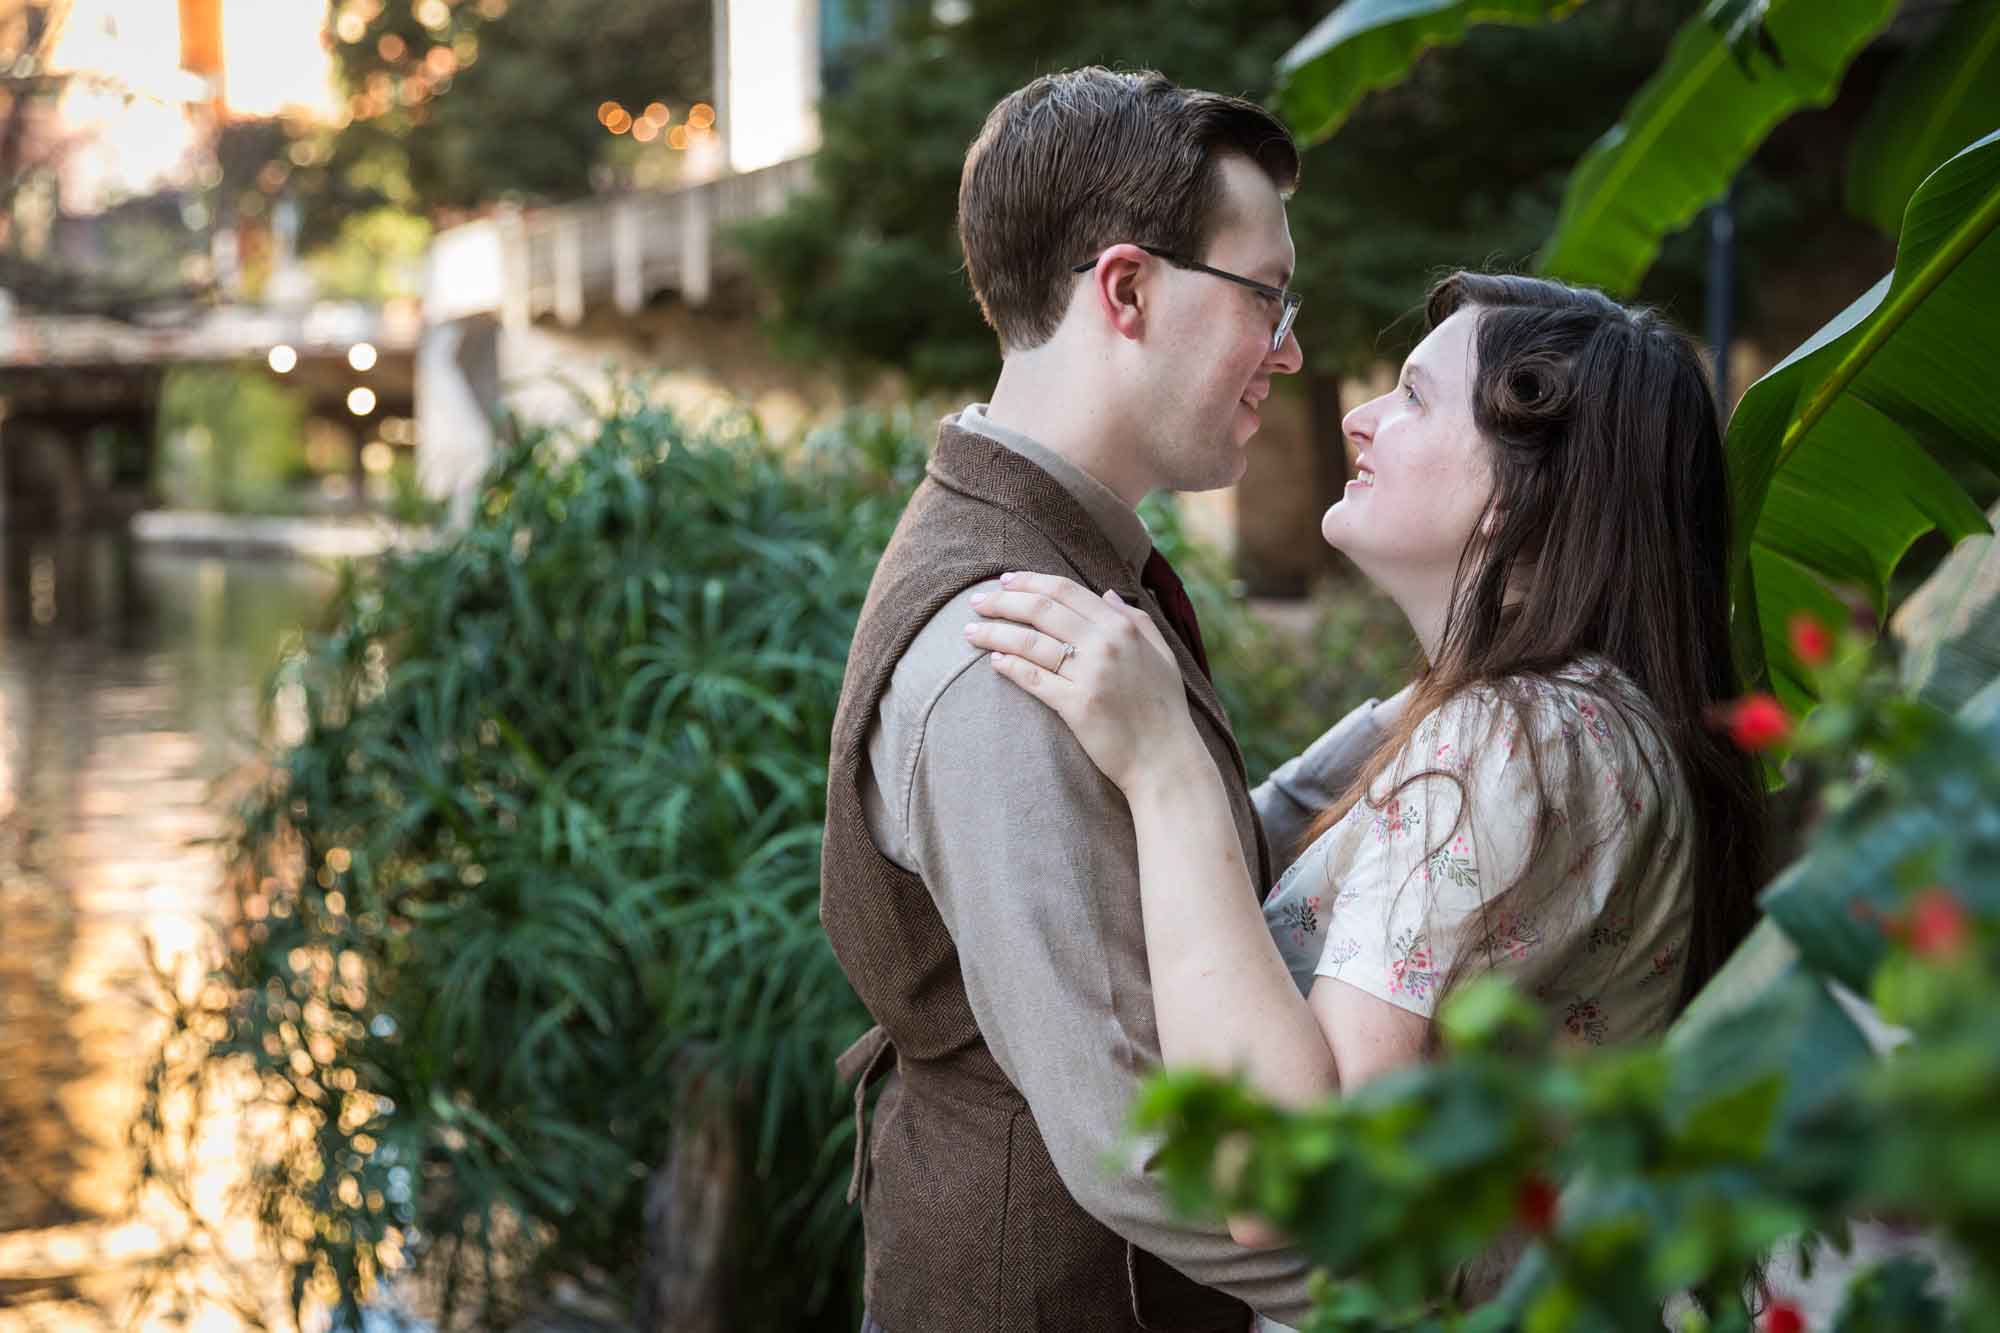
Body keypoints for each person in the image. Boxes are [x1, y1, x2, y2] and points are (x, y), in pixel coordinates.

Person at [965, 271, 1770, 1305]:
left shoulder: (1505, 739)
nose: (1358, 418)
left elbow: (1295, 1183)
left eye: (1414, 398)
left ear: (1521, 496)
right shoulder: (1581, 717)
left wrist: (1165, 769)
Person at [819, 66, 1372, 1332]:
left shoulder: (1063, 558)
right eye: (1266, 298)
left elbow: (1188, 853)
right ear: (1126, 289)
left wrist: (1420, 724)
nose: (1287, 348)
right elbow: (1139, 1141)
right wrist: (1429, 1284)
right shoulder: (999, 647)